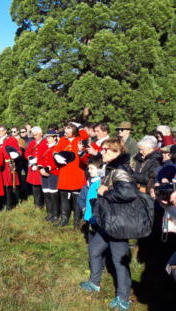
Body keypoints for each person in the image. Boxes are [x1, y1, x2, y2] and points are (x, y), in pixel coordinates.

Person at [80, 138, 136, 310]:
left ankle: (123, 299)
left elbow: (129, 194)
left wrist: (106, 192)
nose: (101, 152)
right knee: (95, 248)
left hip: (118, 222)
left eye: (105, 150)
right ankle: (94, 283)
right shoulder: (111, 167)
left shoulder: (121, 170)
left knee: (119, 261)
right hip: (108, 219)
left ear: (116, 152)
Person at [53, 123, 87, 228]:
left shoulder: (80, 139)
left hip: (77, 172)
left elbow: (85, 134)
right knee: (64, 196)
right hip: (65, 172)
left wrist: (78, 125)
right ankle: (64, 219)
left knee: (77, 197)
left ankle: (77, 221)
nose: (65, 133)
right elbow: (56, 150)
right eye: (65, 131)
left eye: (68, 131)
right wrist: (55, 155)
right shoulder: (62, 140)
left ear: (74, 131)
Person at [0, 125, 21, 210]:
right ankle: (2, 203)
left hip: (7, 165)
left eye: (1, 130)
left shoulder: (11, 139)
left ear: (5, 131)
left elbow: (18, 151)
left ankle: (9, 205)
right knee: (0, 185)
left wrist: (15, 154)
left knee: (8, 185)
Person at [38, 130, 60, 222]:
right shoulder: (44, 146)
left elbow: (56, 162)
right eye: (47, 137)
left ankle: (55, 214)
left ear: (55, 137)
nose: (48, 139)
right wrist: (41, 168)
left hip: (53, 173)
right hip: (43, 172)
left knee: (53, 194)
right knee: (46, 194)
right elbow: (40, 158)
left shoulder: (58, 147)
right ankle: (49, 213)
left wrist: (46, 169)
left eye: (50, 137)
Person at [25, 126, 47, 209]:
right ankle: (37, 204)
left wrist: (38, 161)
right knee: (35, 186)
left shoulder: (45, 142)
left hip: (42, 166)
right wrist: (30, 158)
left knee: (44, 186)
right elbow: (27, 153)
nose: (35, 136)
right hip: (33, 167)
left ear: (41, 133)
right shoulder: (32, 143)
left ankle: (45, 203)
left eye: (36, 134)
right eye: (34, 135)